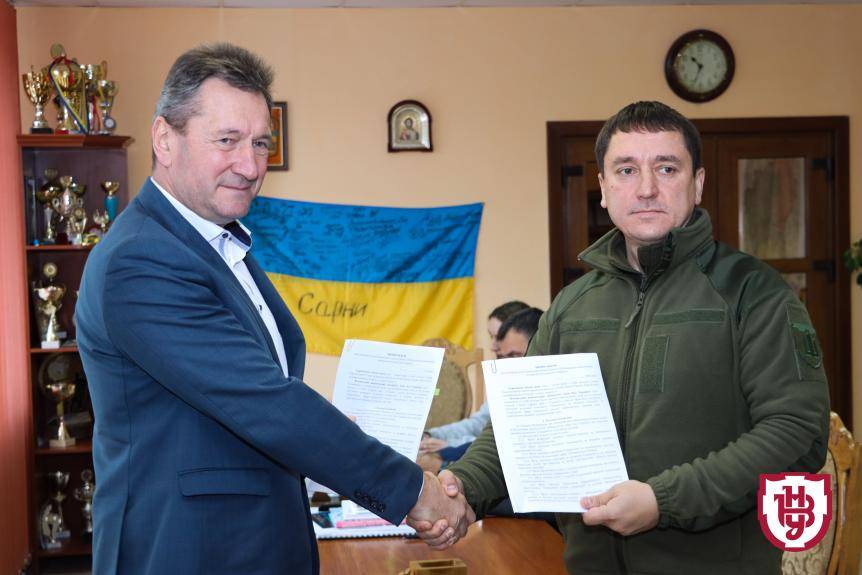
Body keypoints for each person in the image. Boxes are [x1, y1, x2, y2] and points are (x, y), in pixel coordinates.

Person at [76, 43, 471, 575]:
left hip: (250, 543)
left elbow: (255, 397)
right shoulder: (142, 259)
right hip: (188, 550)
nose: (250, 165)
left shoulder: (219, 244)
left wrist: (325, 431)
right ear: (164, 139)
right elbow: (265, 403)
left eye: (261, 143)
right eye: (227, 140)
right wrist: (414, 491)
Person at [422, 101, 831, 572]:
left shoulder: (753, 292)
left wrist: (663, 500)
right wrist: (462, 487)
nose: (647, 188)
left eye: (667, 168)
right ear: (603, 188)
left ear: (697, 183)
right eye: (626, 170)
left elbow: (795, 434)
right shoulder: (572, 306)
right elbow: (518, 429)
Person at [419, 307, 541, 474]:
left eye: (498, 336)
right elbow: (479, 424)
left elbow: (507, 444)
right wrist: (431, 435)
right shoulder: (506, 379)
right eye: (492, 337)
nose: (493, 346)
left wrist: (449, 447)